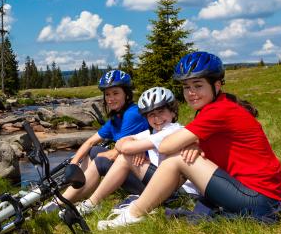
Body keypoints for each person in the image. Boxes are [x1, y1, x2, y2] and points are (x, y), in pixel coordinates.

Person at [98, 51, 281, 230]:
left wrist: (189, 144)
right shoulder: (218, 106)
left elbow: (165, 146)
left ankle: (133, 214)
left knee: (177, 158)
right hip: (256, 193)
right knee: (181, 155)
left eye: (198, 85)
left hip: (259, 199)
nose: (191, 93)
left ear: (217, 85)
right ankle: (140, 207)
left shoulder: (219, 111)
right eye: (187, 87)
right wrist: (194, 143)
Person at [75, 86, 200, 216]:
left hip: (180, 191)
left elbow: (124, 148)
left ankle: (91, 203)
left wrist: (136, 147)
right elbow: (120, 142)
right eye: (151, 114)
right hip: (162, 184)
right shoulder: (153, 132)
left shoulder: (173, 130)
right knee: (116, 156)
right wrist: (136, 144)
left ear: (173, 112)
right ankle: (88, 202)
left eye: (161, 111)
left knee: (125, 157)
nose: (157, 119)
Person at [41, 69, 149, 213]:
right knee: (92, 150)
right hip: (132, 169)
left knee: (100, 160)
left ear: (127, 94)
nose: (110, 99)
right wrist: (73, 165)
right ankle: (75, 193)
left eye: (116, 93)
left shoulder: (132, 114)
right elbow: (90, 142)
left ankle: (63, 202)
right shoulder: (116, 118)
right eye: (107, 94)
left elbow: (116, 153)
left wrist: (99, 158)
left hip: (145, 178)